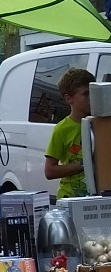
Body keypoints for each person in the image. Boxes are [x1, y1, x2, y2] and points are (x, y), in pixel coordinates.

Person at [44, 68, 94, 200]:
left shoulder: (101, 124)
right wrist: (83, 165)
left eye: (93, 92)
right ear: (68, 98)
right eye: (85, 94)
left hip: (98, 196)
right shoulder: (62, 129)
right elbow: (49, 171)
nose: (91, 97)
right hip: (71, 198)